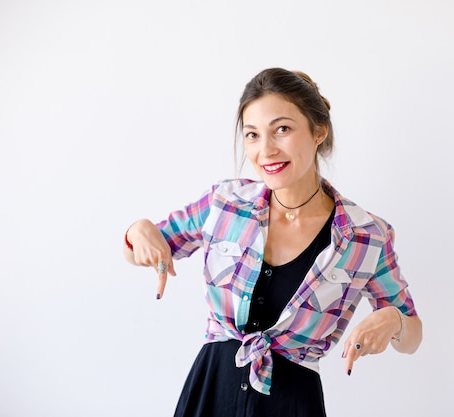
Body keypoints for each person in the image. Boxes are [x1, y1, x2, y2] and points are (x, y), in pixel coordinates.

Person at [123, 67, 422, 417]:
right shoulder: (225, 203)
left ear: (318, 131)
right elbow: (149, 247)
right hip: (211, 392)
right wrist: (137, 230)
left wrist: (394, 321)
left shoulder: (365, 236)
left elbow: (412, 336)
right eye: (252, 135)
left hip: (291, 404)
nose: (265, 150)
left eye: (282, 129)